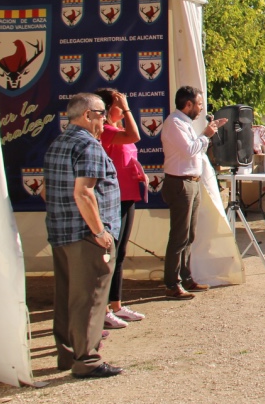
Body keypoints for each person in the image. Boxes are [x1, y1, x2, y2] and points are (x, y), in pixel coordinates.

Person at [43, 93, 122, 378]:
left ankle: (68, 355)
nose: (105, 120)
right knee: (90, 298)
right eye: (102, 114)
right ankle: (87, 360)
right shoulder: (88, 145)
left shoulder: (58, 143)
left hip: (61, 231)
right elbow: (84, 192)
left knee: (67, 297)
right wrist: (100, 232)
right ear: (88, 115)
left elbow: (45, 191)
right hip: (87, 236)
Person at [161, 86, 226, 300]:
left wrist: (206, 134)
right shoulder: (174, 123)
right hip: (180, 183)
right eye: (198, 104)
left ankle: (185, 277)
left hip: (191, 182)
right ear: (187, 104)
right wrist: (206, 135)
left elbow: (194, 149)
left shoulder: (184, 123)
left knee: (189, 235)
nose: (200, 109)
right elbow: (189, 150)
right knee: (179, 236)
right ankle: (172, 283)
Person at [94, 89, 147, 329]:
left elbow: (127, 153)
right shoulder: (105, 130)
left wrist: (138, 171)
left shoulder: (114, 129)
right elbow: (134, 135)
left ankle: (116, 305)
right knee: (109, 254)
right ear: (108, 109)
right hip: (112, 199)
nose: (124, 108)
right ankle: (103, 309)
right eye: (118, 105)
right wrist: (126, 107)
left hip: (127, 195)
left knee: (120, 253)